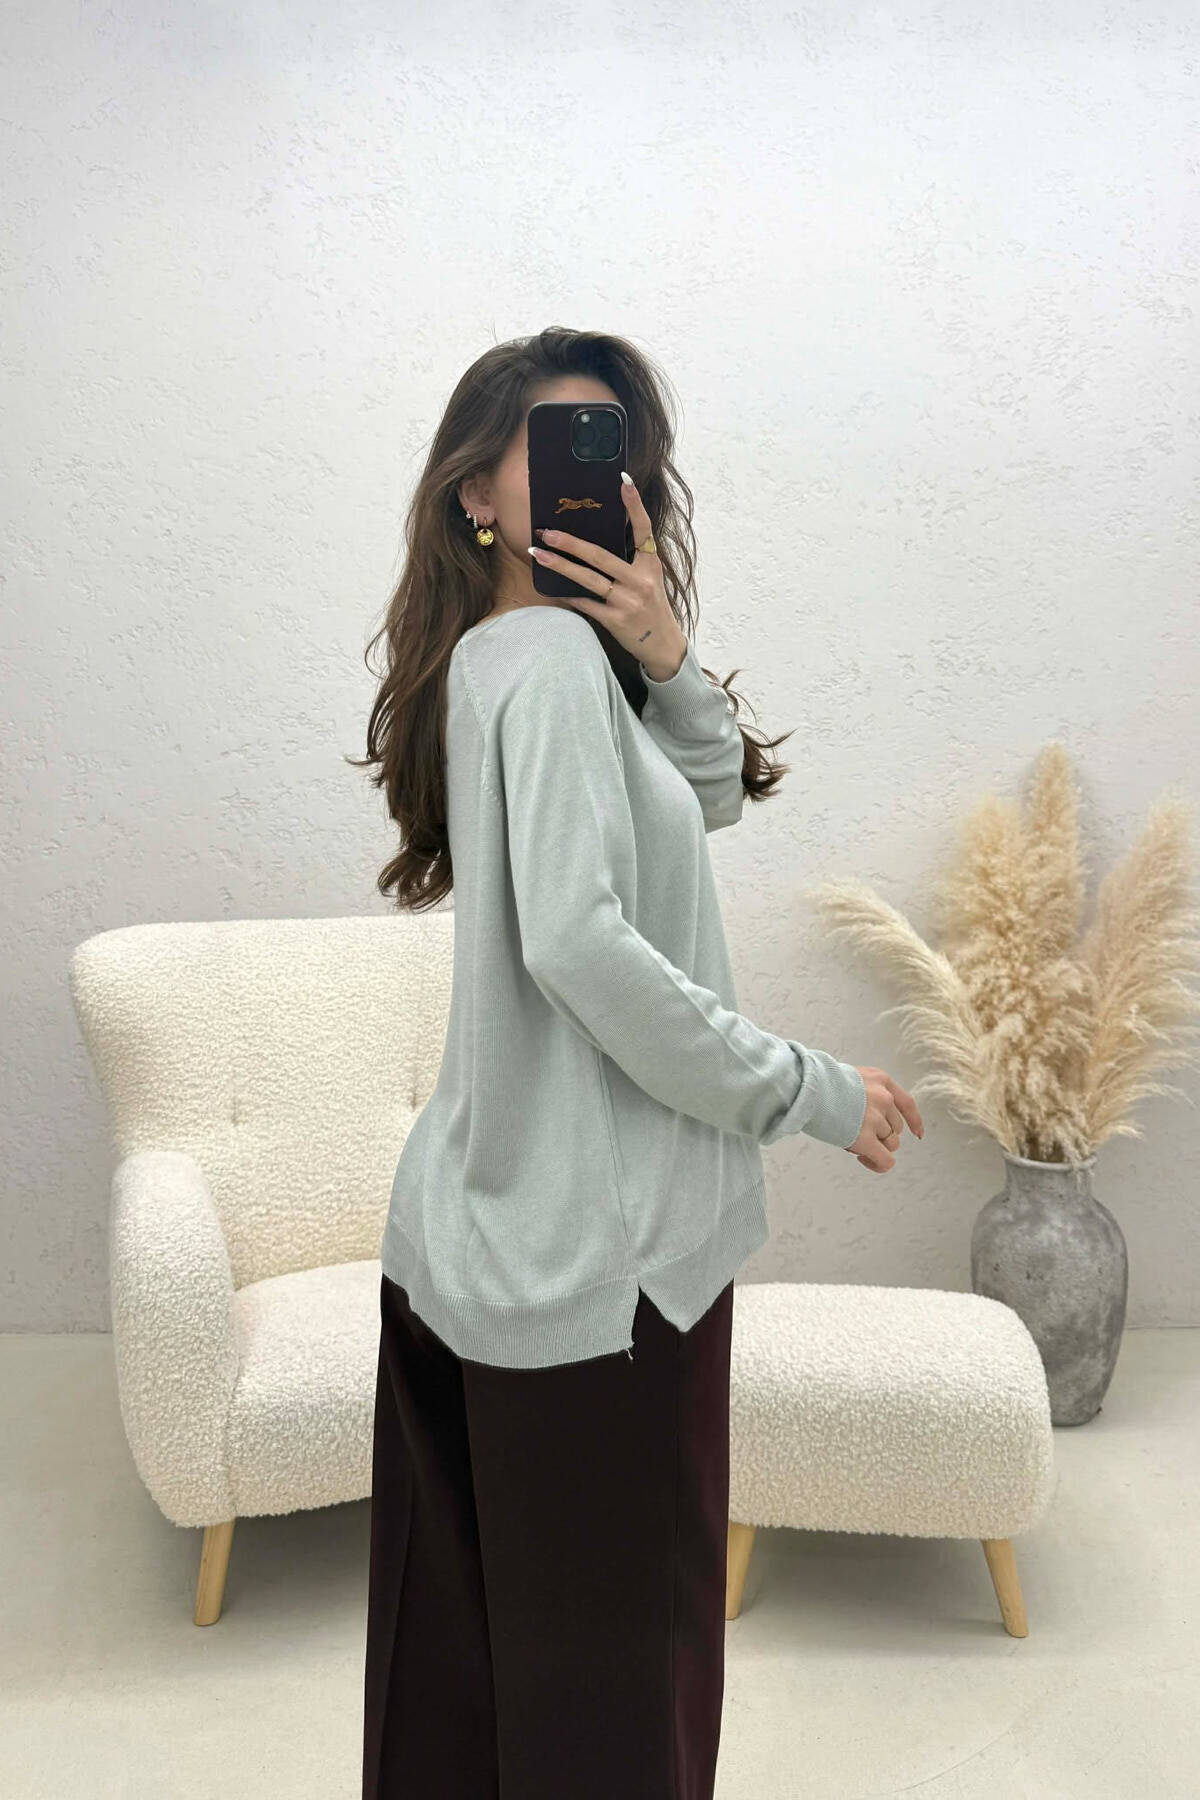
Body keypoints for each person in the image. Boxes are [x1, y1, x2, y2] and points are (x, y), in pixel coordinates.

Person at [350, 327, 923, 1800]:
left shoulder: (511, 662)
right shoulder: (546, 663)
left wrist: (667, 655)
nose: (602, 476)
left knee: (463, 1682)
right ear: (477, 490)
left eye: (618, 451)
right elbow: (583, 948)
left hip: (482, 1238)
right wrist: (808, 1089)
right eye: (558, 441)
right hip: (602, 1272)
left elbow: (705, 802)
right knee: (619, 1701)